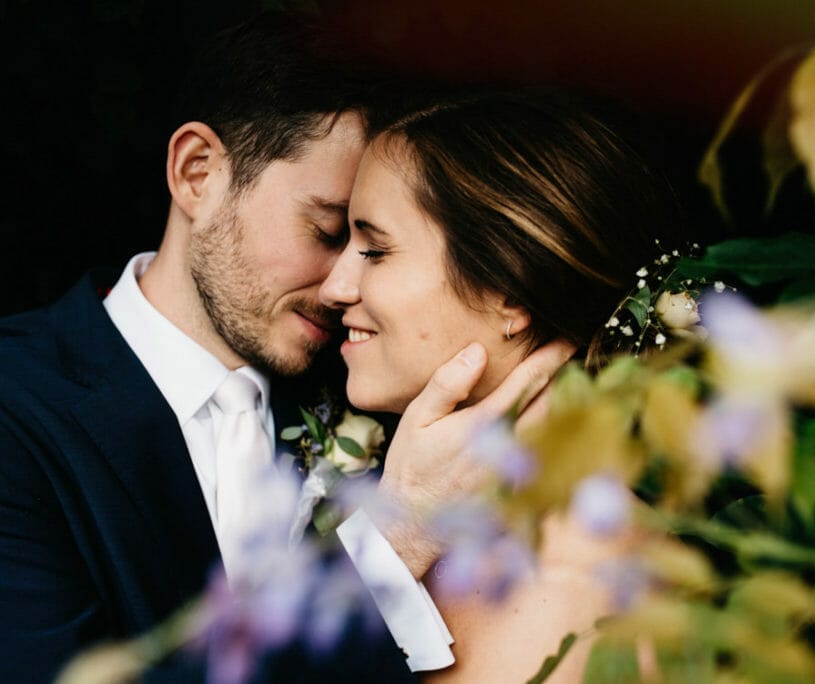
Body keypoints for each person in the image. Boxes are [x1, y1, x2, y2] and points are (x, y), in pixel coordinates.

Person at [0, 14, 571, 683]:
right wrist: (388, 547)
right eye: (329, 230)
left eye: (374, 246)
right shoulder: (18, 413)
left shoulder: (384, 389)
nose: (343, 286)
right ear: (197, 173)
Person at [318, 89, 683, 682]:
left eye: (376, 250)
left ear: (506, 292)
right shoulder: (456, 530)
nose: (334, 287)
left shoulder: (571, 589)